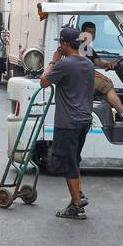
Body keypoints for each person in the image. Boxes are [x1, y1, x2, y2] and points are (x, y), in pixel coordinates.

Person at [40, 27, 94, 220]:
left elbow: (44, 82)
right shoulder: (87, 63)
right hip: (83, 120)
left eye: (59, 44)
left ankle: (77, 205)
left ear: (63, 44)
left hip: (68, 122)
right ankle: (77, 196)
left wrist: (53, 61)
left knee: (67, 162)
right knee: (74, 159)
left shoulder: (65, 65)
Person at [77, 22, 123, 121]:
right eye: (89, 32)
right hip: (80, 78)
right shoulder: (80, 46)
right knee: (107, 84)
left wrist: (109, 64)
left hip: (84, 77)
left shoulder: (86, 47)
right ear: (82, 33)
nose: (91, 34)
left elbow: (98, 61)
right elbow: (81, 66)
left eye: (93, 32)